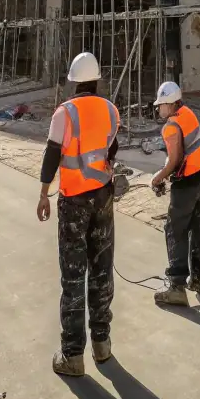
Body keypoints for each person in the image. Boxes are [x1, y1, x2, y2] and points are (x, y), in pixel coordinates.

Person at [36, 51, 120, 378]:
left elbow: (51, 155)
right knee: (102, 269)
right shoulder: (111, 110)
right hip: (103, 197)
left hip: (73, 202)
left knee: (73, 275)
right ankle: (102, 343)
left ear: (73, 81)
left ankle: (73, 354)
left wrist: (43, 193)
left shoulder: (65, 113)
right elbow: (111, 150)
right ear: (97, 80)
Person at [149, 80, 200, 307]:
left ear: (169, 103)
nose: (158, 109)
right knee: (197, 227)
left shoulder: (170, 126)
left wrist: (158, 178)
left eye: (160, 105)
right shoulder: (187, 114)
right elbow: (185, 152)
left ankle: (176, 286)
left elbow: (175, 159)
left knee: (175, 229)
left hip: (186, 184)